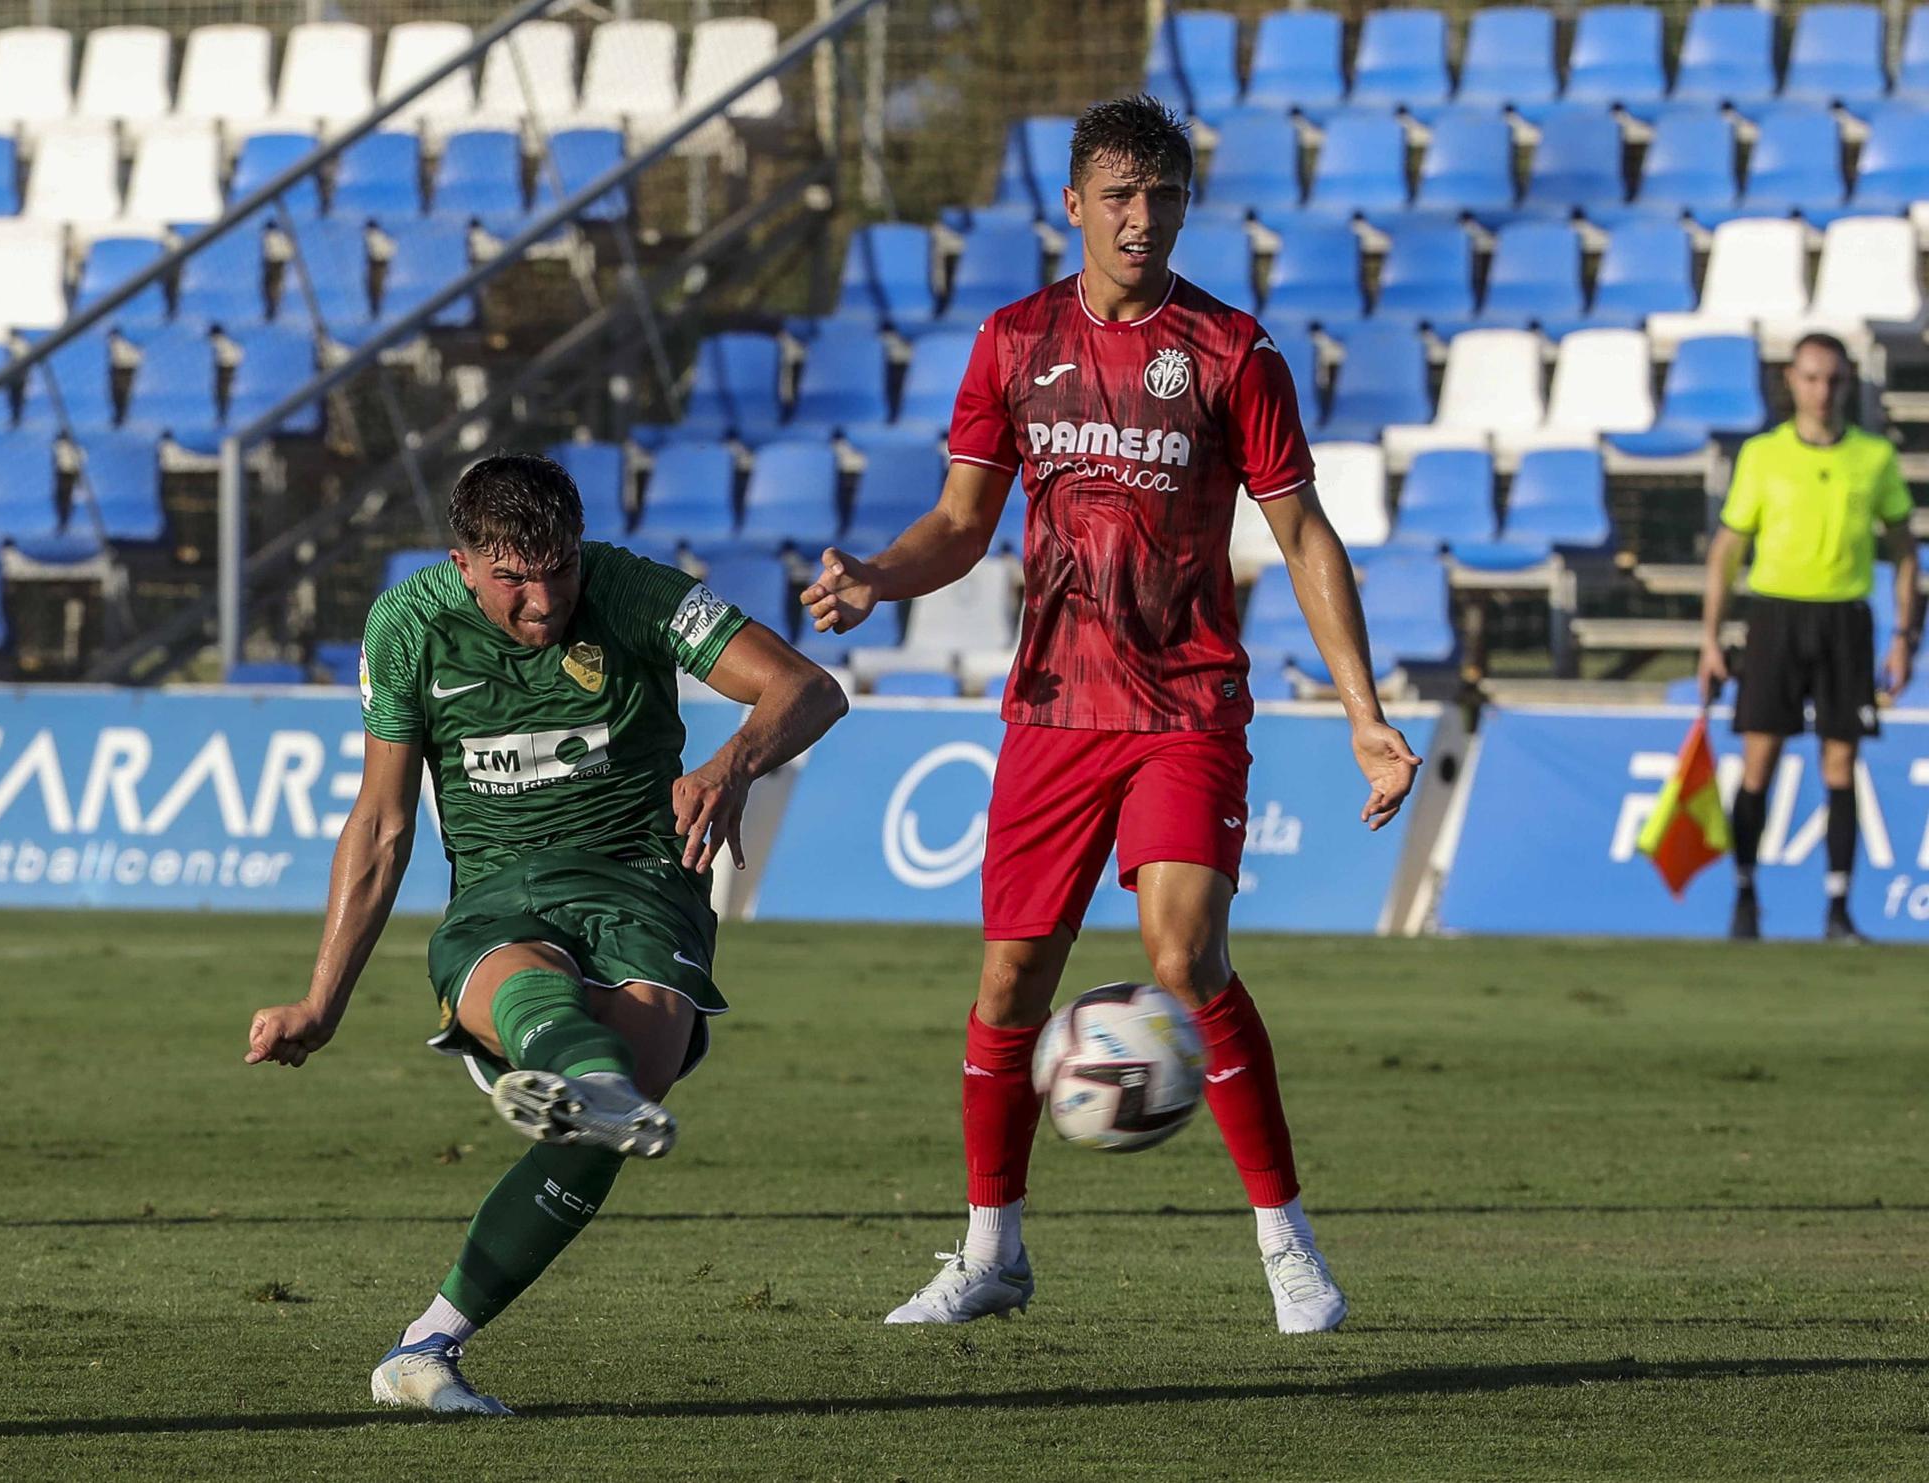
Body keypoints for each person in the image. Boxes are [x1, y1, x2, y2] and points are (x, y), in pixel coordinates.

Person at [800, 96, 1421, 1333]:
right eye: (1121, 196)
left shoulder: (1232, 351)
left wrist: (1362, 712)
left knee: (1184, 955)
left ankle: (1285, 1243)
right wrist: (876, 572)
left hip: (1186, 699)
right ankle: (990, 1250)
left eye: (1165, 196)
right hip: (1052, 709)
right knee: (1008, 981)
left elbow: (1301, 534)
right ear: (1074, 203)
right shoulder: (1011, 339)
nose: (1143, 218)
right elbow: (962, 522)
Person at [245, 453, 847, 1414]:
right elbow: (383, 822)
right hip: (501, 894)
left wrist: (735, 762)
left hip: (646, 884)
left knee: (630, 1089)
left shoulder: (633, 589)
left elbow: (807, 688)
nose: (542, 600)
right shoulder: (409, 626)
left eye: (558, 570)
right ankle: (581, 1074)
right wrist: (323, 1000)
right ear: (463, 563)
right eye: (513, 578)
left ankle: (423, 1347)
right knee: (568, 1031)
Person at [1700, 332, 1919, 943]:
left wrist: (1905, 636)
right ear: (1791, 381)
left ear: (1848, 384)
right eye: (1811, 378)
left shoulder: (1873, 458)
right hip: (1775, 618)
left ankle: (1839, 909)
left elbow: (1905, 554)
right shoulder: (1763, 456)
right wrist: (1711, 638)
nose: (1822, 391)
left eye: (1834, 380)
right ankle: (1745, 898)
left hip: (1845, 621)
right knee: (1759, 760)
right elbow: (1727, 550)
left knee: (1841, 761)